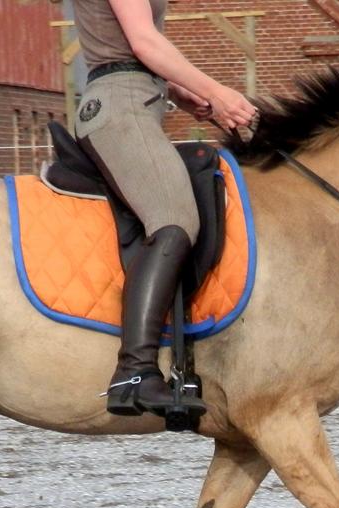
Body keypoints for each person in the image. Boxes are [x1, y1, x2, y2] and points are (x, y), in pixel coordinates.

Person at [70, 0, 258, 418]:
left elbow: (129, 49)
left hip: (138, 101)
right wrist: (216, 92)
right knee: (174, 221)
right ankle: (133, 372)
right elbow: (143, 42)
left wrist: (180, 91)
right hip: (119, 107)